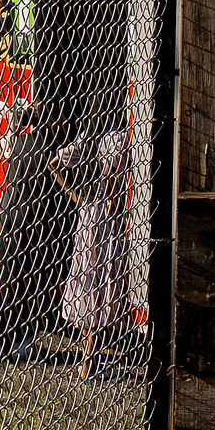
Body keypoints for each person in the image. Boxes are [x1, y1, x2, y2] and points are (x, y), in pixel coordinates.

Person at [49, 116, 137, 380]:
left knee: (91, 282)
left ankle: (89, 362)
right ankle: (90, 363)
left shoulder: (95, 131)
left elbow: (54, 164)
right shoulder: (128, 137)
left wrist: (80, 199)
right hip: (114, 217)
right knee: (102, 283)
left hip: (93, 211)